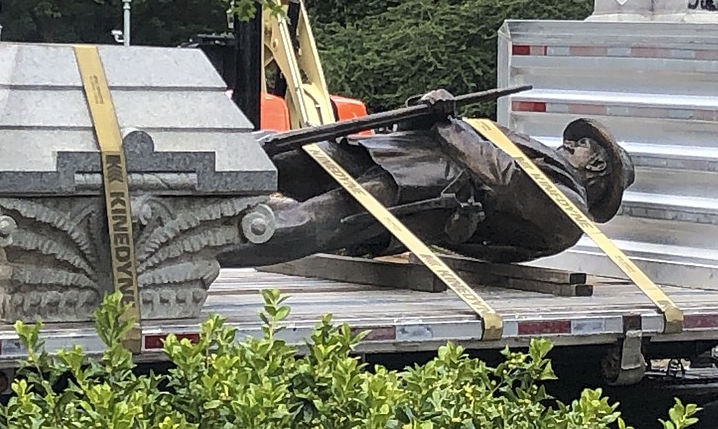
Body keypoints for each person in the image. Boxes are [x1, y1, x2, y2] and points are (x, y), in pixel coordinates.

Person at [217, 89, 635, 267]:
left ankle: (195, 249)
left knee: (315, 221)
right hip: (400, 157)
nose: (570, 145)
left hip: (428, 194)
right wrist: (430, 110)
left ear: (595, 166)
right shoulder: (553, 168)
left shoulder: (569, 208)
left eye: (580, 145)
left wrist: (447, 123)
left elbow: (504, 177)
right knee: (286, 153)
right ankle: (189, 171)